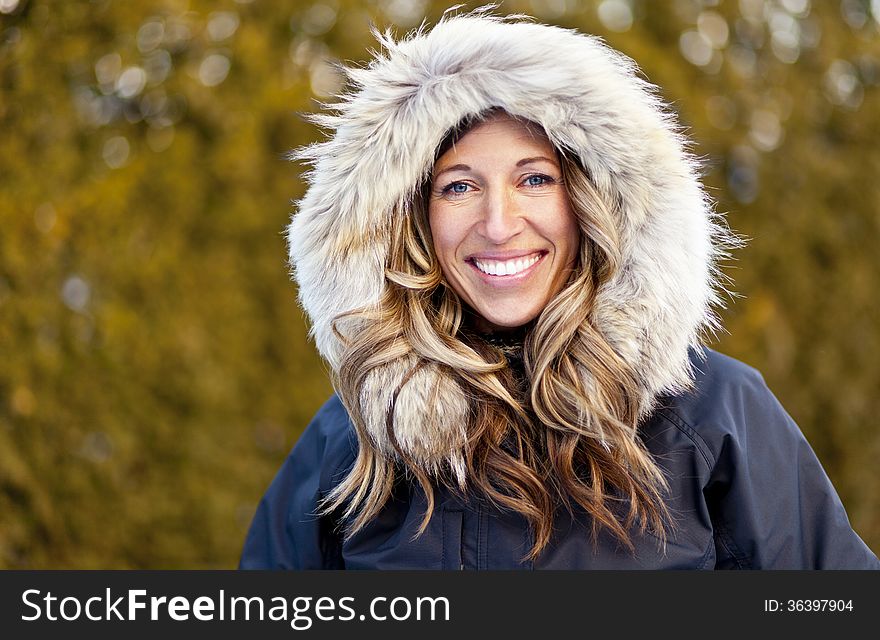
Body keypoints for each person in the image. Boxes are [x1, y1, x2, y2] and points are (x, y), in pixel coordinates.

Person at [239, 11, 879, 569]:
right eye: (458, 186)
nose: (498, 224)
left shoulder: (713, 417)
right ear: (411, 220)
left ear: (592, 202)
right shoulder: (352, 440)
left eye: (535, 180)